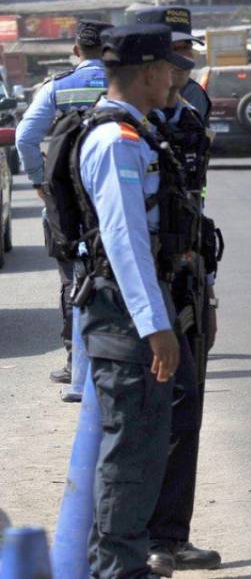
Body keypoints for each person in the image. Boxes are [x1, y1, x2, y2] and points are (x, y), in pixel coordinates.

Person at [75, 23, 199, 578]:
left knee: (146, 447)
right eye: (169, 69)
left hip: (138, 314)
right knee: (130, 456)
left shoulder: (138, 130)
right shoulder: (115, 140)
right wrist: (156, 327)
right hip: (128, 319)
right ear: (149, 72)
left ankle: (125, 563)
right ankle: (117, 570)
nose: (176, 79)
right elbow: (125, 242)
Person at [133, 6, 222, 575]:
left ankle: (170, 535)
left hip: (187, 281)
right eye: (173, 53)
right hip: (138, 293)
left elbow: (195, 202)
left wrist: (204, 284)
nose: (183, 63)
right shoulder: (121, 122)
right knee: (138, 418)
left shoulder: (192, 112)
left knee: (186, 412)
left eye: (186, 51)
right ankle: (133, 541)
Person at [15, 19, 112, 388]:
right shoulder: (126, 84)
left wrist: (41, 180)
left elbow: (25, 136)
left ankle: (77, 362)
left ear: (76, 50)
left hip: (67, 201)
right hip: (115, 192)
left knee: (73, 279)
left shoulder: (57, 87)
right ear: (110, 50)